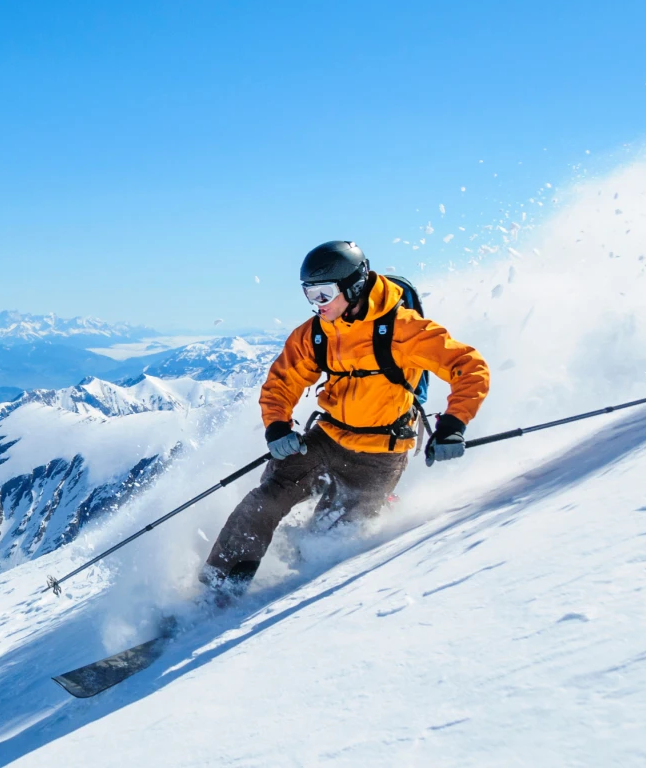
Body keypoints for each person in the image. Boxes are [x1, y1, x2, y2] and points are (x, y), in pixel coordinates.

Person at [201, 240, 490, 601]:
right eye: (309, 295)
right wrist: (277, 425)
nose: (316, 304)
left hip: (378, 455)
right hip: (325, 437)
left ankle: (287, 590)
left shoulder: (403, 330)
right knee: (263, 502)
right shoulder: (316, 333)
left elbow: (470, 368)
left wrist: (452, 426)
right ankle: (216, 593)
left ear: (353, 286)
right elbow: (282, 382)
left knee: (326, 538)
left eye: (324, 294)